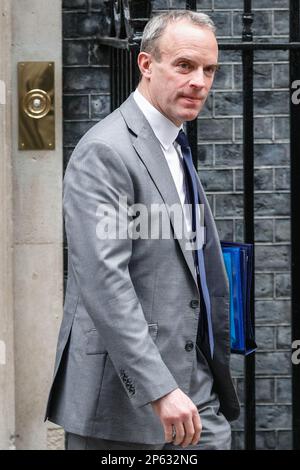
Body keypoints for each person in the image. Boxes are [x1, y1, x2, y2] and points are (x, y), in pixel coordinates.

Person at [45, 10, 240, 450]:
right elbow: (103, 280)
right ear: (146, 64)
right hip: (125, 407)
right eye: (185, 66)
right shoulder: (106, 151)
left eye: (209, 69)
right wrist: (159, 388)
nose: (200, 82)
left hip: (196, 391)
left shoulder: (174, 143)